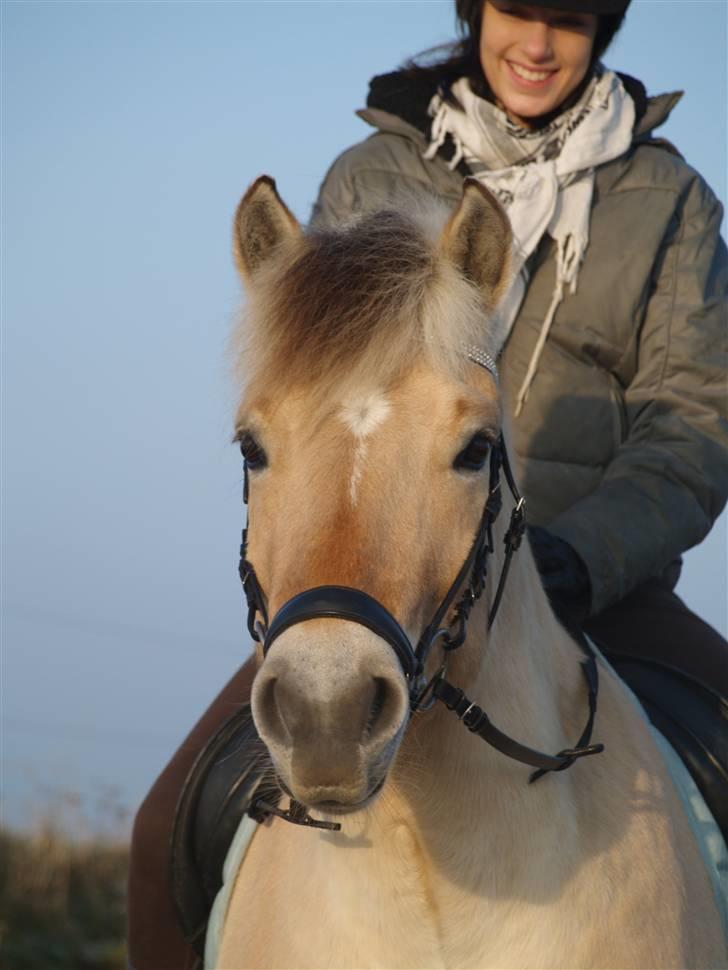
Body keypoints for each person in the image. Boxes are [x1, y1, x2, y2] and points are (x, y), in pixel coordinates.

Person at [127, 2, 728, 966]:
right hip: (385, 583)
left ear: (602, 33)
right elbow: (323, 410)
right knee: (163, 828)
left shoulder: (667, 199)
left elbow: (694, 417)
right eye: (516, 11)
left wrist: (582, 557)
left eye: (568, 21)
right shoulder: (370, 178)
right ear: (474, 12)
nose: (537, 45)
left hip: (600, 585)